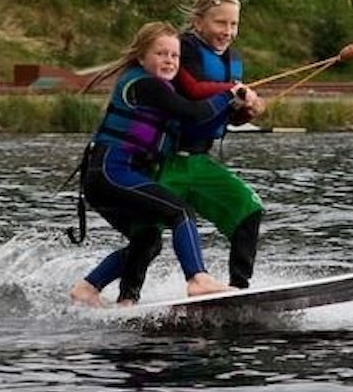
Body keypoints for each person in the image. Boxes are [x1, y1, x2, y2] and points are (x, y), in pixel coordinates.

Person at [68, 21, 247, 307]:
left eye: (174, 56)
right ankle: (198, 280)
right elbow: (192, 112)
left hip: (110, 178)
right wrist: (229, 94)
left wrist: (238, 112)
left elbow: (188, 120)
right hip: (111, 173)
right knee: (180, 211)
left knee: (148, 240)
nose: (169, 60)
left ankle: (91, 289)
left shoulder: (157, 89)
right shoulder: (146, 84)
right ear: (141, 57)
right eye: (161, 54)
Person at [117, 0, 266, 297]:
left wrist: (248, 111)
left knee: (248, 210)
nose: (228, 31)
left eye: (234, 24)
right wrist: (234, 92)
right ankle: (125, 298)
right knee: (147, 238)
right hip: (164, 162)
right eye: (220, 23)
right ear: (198, 23)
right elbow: (196, 92)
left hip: (199, 161)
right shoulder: (182, 50)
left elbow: (227, 117)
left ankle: (238, 290)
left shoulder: (233, 60)